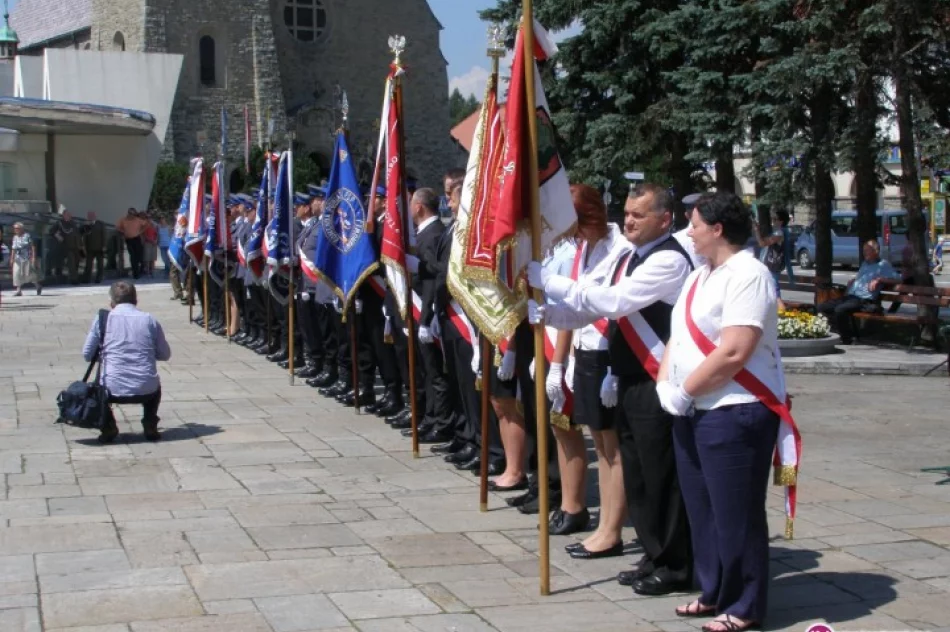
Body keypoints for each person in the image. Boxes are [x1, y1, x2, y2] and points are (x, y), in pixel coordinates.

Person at [529, 184, 693, 592]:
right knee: (637, 474)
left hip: (656, 379)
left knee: (660, 476)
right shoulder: (633, 258)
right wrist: (548, 312)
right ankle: (653, 553)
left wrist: (549, 281)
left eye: (640, 214)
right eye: (628, 212)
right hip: (628, 377)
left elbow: (615, 302)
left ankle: (674, 565)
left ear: (664, 219)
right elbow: (588, 307)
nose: (631, 220)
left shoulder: (668, 258)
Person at [658, 191, 790, 631]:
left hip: (735, 410)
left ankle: (745, 603)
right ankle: (714, 590)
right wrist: (665, 383)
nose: (689, 233)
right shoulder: (700, 275)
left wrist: (686, 389)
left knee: (738, 512)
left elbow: (735, 350)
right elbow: (677, 336)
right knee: (703, 509)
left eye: (694, 224)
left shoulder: (748, 274)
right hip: (694, 408)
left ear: (716, 229)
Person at [546, 184, 632, 545]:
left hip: (609, 355)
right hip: (586, 350)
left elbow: (616, 306)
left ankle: (611, 530)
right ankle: (602, 526)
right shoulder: (586, 248)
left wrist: (614, 367)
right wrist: (558, 360)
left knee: (612, 448)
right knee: (598, 443)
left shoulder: (620, 249)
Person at [82, 281, 171, 443]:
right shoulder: (149, 319)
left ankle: (108, 426)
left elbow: (87, 354)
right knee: (154, 383)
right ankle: (150, 422)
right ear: (136, 300)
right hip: (146, 387)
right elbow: (165, 354)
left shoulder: (103, 319)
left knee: (96, 387)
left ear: (112, 302)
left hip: (111, 389)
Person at [816, 240, 900, 344]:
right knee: (822, 307)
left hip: (863, 299)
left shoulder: (883, 265)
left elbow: (898, 279)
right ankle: (837, 332)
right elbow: (861, 278)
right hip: (850, 296)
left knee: (840, 310)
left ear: (876, 251)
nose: (864, 253)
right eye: (864, 250)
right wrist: (853, 281)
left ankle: (847, 339)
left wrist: (879, 279)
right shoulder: (865, 263)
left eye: (867, 250)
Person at [754, 210, 790, 311]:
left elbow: (762, 243)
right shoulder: (776, 232)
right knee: (771, 292)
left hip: (772, 267)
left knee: (775, 293)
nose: (773, 221)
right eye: (772, 219)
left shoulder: (779, 233)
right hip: (769, 267)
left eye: (775, 219)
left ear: (781, 221)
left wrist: (757, 231)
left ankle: (783, 317)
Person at [50, 207, 82, 284]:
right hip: (66, 246)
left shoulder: (73, 223)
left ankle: (75, 276)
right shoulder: (59, 223)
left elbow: (77, 234)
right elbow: (51, 231)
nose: (69, 216)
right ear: (64, 215)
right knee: (71, 262)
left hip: (75, 246)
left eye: (70, 215)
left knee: (77, 261)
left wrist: (80, 244)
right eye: (67, 214)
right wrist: (58, 237)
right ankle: (73, 279)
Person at [10, 222, 41, 296]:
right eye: (15, 228)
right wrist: (12, 258)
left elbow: (33, 246)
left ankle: (37, 286)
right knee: (16, 273)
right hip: (18, 258)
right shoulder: (15, 237)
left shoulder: (27, 236)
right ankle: (19, 290)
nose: (15, 230)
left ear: (21, 229)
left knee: (29, 274)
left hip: (27, 258)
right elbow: (13, 249)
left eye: (17, 228)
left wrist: (33, 257)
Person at [117, 208, 146, 278]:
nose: (133, 216)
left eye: (134, 214)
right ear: (129, 213)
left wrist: (141, 231)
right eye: (132, 214)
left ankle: (140, 269)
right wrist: (123, 232)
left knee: (139, 256)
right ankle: (135, 273)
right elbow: (118, 227)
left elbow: (147, 224)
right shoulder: (123, 220)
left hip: (137, 239)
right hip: (129, 239)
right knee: (132, 256)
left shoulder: (137, 220)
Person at [82, 212, 107, 284]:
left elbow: (104, 235)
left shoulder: (100, 224)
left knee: (100, 265)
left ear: (95, 216)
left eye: (91, 216)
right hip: (90, 248)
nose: (90, 217)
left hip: (99, 248)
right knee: (88, 265)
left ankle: (99, 278)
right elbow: (84, 237)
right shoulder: (86, 225)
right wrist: (84, 247)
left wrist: (104, 246)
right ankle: (86, 278)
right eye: (89, 216)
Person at [143, 212, 159, 278]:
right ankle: (147, 272)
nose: (149, 218)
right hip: (147, 243)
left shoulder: (154, 225)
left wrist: (156, 240)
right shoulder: (144, 225)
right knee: (147, 258)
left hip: (154, 243)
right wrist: (151, 240)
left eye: (150, 217)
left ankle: (152, 271)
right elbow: (144, 235)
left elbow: (157, 234)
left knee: (153, 258)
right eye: (147, 217)